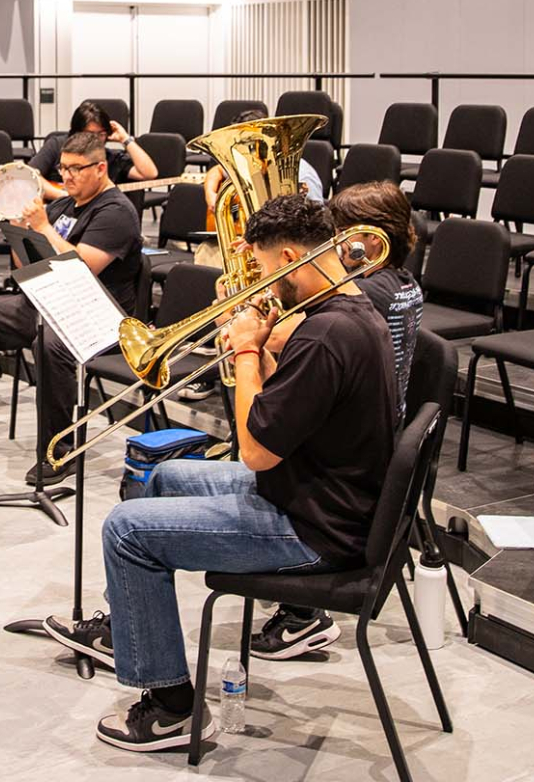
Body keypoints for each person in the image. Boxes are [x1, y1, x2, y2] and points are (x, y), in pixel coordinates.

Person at [44, 196, 396, 752]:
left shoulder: (327, 335)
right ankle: (131, 629)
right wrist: (267, 348)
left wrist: (249, 351)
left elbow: (256, 452)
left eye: (261, 266)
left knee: (125, 529)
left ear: (287, 255)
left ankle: (171, 709)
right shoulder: (352, 311)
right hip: (317, 492)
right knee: (162, 476)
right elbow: (293, 411)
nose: (260, 279)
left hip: (317, 528)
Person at [246, 179, 420, 662]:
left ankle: (302, 611)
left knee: (260, 440)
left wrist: (248, 340)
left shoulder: (354, 305)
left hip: (341, 461)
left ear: (364, 241)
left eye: (337, 235)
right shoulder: (402, 283)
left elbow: (285, 342)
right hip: (366, 423)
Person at [0, 129, 141, 478]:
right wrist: (22, 231)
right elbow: (28, 264)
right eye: (63, 168)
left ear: (101, 168)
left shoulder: (116, 212)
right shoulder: (66, 204)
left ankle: (59, 451)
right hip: (49, 301)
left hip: (95, 315)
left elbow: (81, 267)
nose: (66, 176)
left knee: (50, 347)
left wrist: (43, 227)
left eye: (76, 169)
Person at [29, 100, 157, 195]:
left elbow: (149, 173)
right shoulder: (57, 145)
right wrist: (61, 196)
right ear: (76, 132)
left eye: (101, 134)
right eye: (90, 134)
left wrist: (125, 139)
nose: (96, 139)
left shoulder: (110, 158)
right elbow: (30, 175)